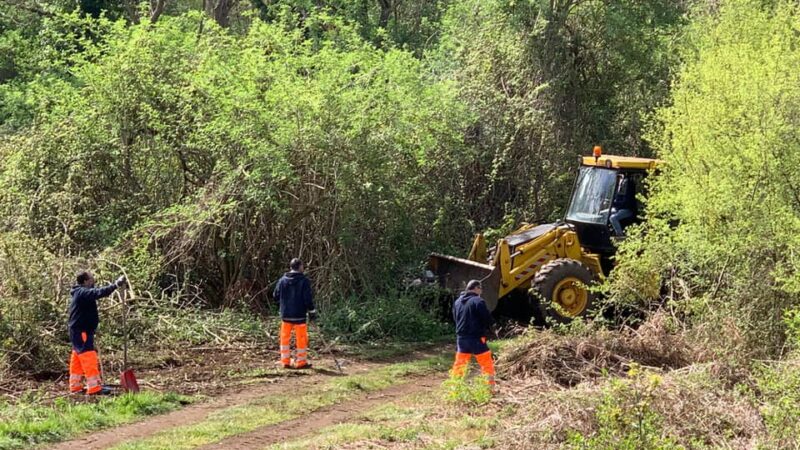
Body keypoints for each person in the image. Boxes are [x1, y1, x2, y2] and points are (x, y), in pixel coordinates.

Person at [68, 271, 126, 395]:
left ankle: (75, 386)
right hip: (81, 331)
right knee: (88, 357)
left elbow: (94, 294)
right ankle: (94, 388)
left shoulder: (80, 293)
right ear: (85, 281)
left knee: (77, 357)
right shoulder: (82, 292)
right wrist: (116, 284)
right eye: (91, 278)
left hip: (78, 330)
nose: (94, 280)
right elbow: (98, 293)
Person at [451, 279, 496, 389]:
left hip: (461, 338)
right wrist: (492, 327)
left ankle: (455, 387)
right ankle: (489, 388)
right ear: (476, 288)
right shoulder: (478, 301)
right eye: (480, 289)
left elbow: (455, 317)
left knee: (460, 363)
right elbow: (487, 318)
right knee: (486, 362)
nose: (481, 291)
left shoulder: (457, 302)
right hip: (476, 338)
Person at [273, 258, 317, 369]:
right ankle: (301, 362)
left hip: (286, 314)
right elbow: (308, 298)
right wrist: (312, 311)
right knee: (301, 338)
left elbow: (275, 296)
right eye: (303, 266)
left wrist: (283, 304)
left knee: (284, 338)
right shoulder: (304, 281)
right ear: (300, 267)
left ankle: (285, 361)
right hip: (299, 315)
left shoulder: (282, 280)